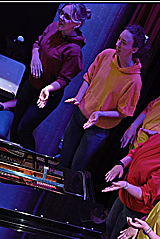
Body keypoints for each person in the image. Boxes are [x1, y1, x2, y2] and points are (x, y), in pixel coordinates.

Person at [58, 25, 146, 171]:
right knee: (63, 158)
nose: (118, 44)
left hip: (98, 128)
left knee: (76, 167)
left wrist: (100, 114)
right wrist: (79, 97)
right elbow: (89, 77)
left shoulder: (134, 80)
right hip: (81, 114)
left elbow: (123, 112)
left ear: (134, 49)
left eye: (124, 43)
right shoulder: (107, 55)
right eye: (119, 39)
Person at [12, 3, 90, 153]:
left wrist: (47, 89)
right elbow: (37, 42)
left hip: (49, 95)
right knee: (15, 125)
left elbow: (63, 79)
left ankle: (30, 161)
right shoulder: (54, 27)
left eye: (67, 17)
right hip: (31, 84)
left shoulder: (74, 50)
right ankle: (10, 158)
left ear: (77, 24)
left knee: (23, 129)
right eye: (61, 13)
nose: (61, 17)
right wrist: (35, 56)